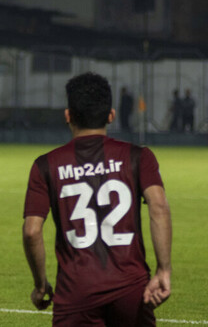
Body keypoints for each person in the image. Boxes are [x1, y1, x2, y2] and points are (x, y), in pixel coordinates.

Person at [22, 72, 172, 326]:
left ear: (68, 115)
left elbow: (31, 232)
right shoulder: (139, 157)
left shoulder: (45, 165)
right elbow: (158, 207)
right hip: (131, 290)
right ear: (111, 115)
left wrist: (40, 284)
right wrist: (163, 269)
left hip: (75, 294)